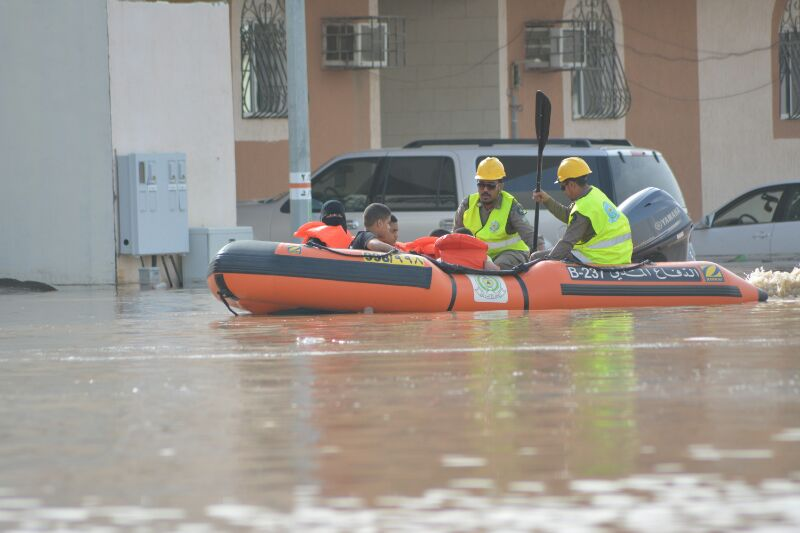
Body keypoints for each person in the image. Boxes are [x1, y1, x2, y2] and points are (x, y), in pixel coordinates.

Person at [531, 157, 632, 265]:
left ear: (571, 185)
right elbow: (568, 216)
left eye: (562, 187)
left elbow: (566, 243)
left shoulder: (584, 209)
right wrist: (547, 200)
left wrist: (546, 263)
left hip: (602, 259)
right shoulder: (594, 193)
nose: (563, 192)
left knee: (536, 258)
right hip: (619, 256)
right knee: (541, 256)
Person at [453, 156, 536, 269]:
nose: (485, 190)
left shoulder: (511, 206)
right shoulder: (467, 204)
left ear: (500, 186)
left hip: (511, 253)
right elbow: (455, 236)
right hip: (480, 256)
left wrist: (540, 256)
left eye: (491, 185)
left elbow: (530, 235)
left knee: (491, 267)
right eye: (481, 184)